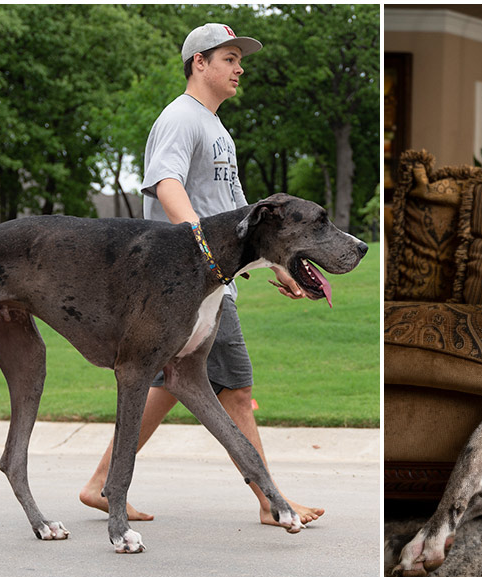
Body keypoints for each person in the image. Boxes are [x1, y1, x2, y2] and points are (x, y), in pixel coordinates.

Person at [79, 23, 324, 527]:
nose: (239, 69)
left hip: (209, 277)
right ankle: (271, 501)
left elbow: (241, 215)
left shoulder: (216, 128)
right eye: (229, 59)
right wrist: (202, 249)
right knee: (236, 389)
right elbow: (166, 182)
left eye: (240, 60)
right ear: (199, 63)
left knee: (171, 381)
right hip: (190, 279)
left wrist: (279, 263)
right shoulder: (181, 118)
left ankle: (101, 483)